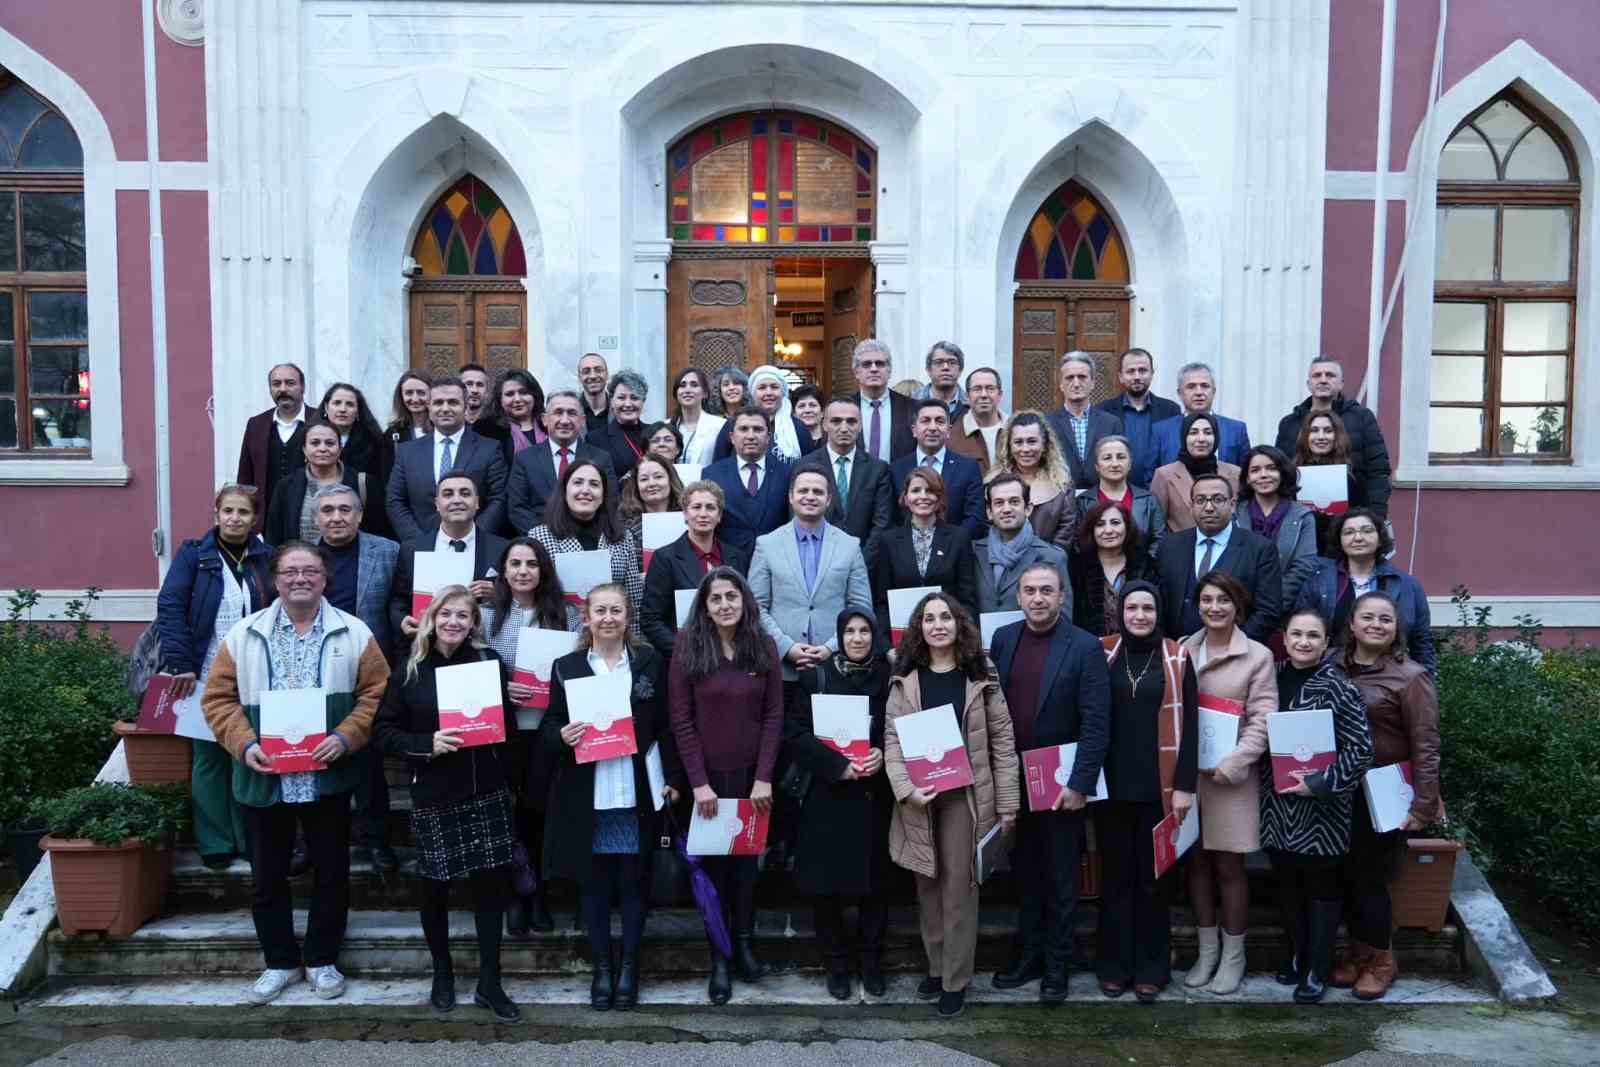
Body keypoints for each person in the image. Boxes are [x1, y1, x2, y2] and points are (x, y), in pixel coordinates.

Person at [199, 541, 390, 1006]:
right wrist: (244, 744)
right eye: (290, 571)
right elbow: (217, 700)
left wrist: (347, 736)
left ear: (325, 579)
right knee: (267, 877)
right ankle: (280, 961)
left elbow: (376, 693)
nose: (300, 578)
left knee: (331, 872)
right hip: (264, 778)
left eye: (310, 571)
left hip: (328, 775)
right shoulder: (244, 635)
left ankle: (323, 959)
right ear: (275, 580)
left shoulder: (355, 632)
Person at [373, 584, 520, 1021]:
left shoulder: (489, 662)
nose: (454, 622)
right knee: (434, 888)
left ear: (474, 623)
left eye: (463, 615)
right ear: (432, 619)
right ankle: (443, 974)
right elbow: (382, 732)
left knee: (490, 890)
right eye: (446, 614)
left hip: (486, 790)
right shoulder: (410, 670)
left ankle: (491, 983)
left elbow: (509, 729)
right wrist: (426, 743)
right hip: (435, 791)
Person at [543, 583, 681, 1012]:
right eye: (599, 610)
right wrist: (561, 736)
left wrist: (672, 776)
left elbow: (664, 724)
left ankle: (629, 969)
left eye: (615, 611)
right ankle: (602, 968)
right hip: (590, 792)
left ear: (627, 617)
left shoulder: (648, 662)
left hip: (634, 787)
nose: (607, 618)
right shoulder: (566, 666)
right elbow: (550, 723)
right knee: (595, 885)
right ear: (585, 618)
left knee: (634, 883)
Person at [883, 593, 1019, 1018]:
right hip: (921, 798)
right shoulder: (905, 676)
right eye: (929, 618)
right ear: (918, 628)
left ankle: (955, 980)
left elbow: (1002, 741)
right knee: (927, 884)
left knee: (960, 889)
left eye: (945, 617)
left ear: (959, 625)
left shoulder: (981, 673)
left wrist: (1008, 803)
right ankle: (937, 965)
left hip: (967, 798)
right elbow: (891, 741)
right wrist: (906, 789)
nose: (937, 624)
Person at [988, 564, 1110, 1003]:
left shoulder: (1083, 646)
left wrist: (1080, 784)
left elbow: (1097, 722)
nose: (1037, 598)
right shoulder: (1003, 640)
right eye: (1029, 591)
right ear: (1017, 597)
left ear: (1061, 596)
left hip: (1061, 785)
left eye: (1046, 591)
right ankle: (1029, 957)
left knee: (1061, 880)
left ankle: (1058, 967)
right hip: (1014, 781)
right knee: (1025, 876)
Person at [668, 567, 784, 1004]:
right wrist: (698, 783)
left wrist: (764, 778)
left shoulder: (764, 647)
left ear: (744, 600)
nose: (724, 605)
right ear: (705, 605)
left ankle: (745, 947)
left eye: (731, 597)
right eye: (715, 599)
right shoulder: (687, 648)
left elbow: (774, 717)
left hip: (754, 783)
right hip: (709, 785)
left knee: (746, 873)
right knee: (713, 876)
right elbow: (680, 718)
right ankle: (719, 958)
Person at [156, 485, 273, 870]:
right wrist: (181, 662)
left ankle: (247, 839)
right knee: (209, 759)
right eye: (228, 511)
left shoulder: (265, 558)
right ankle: (215, 841)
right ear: (216, 513)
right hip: (203, 671)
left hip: (254, 672)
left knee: (246, 752)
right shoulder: (194, 555)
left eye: (243, 512)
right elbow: (171, 606)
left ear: (254, 519)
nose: (235, 518)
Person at [1333, 591, 1441, 1000]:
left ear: (1396, 629)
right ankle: (1358, 953)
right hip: (1339, 791)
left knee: (1371, 879)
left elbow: (1426, 742)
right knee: (1344, 874)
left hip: (1384, 792)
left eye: (1386, 619)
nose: (1376, 625)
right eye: (1368, 617)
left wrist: (1423, 804)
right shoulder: (1333, 666)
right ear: (1352, 624)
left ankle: (1382, 959)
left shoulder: (1410, 676)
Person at [1263, 608, 1373, 1004]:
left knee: (1321, 888)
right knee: (1288, 885)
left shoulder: (1339, 686)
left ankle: (1317, 967)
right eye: (1296, 634)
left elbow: (1361, 749)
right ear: (1285, 638)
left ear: (1327, 643)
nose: (1304, 642)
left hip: (1322, 811)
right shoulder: (1271, 676)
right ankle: (1297, 955)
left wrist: (1322, 783)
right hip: (1277, 805)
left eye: (1313, 635)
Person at [1095, 581, 1197, 1002]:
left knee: (1154, 884)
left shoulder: (1177, 656)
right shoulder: (1102, 652)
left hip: (1161, 790)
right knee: (1115, 881)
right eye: (1132, 608)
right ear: (1122, 612)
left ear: (1159, 613)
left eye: (1148, 609)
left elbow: (1190, 726)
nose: (1139, 615)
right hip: (1111, 789)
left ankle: (1152, 968)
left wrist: (1185, 788)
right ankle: (1114, 966)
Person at [787, 608, 895, 1000]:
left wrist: (883, 752)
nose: (857, 638)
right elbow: (795, 733)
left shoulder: (887, 679)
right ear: (839, 635)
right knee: (825, 888)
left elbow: (894, 725)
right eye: (849, 630)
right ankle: (836, 965)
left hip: (873, 794)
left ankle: (870, 963)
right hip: (828, 794)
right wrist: (836, 766)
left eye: (865, 630)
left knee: (875, 888)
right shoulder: (815, 677)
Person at [1178, 571, 1275, 996]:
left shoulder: (1257, 656)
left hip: (1230, 779)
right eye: (1207, 600)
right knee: (1196, 864)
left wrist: (1236, 762)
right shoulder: (1183, 649)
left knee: (1229, 867)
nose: (1214, 608)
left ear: (1238, 606)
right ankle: (1207, 952)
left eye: (1223, 600)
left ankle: (1235, 957)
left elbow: (1262, 719)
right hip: (1188, 779)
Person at [480, 537, 581, 936]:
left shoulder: (568, 615)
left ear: (544, 572)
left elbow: (577, 667)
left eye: (532, 564)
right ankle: (513, 895)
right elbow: (471, 667)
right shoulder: (487, 615)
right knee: (507, 814)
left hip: (549, 731)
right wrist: (500, 686)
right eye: (516, 563)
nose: (523, 571)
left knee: (539, 812)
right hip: (503, 730)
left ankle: (537, 892)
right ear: (503, 571)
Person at [310, 485, 400, 871]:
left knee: (367, 758)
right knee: (312, 755)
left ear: (360, 515)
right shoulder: (303, 558)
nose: (337, 517)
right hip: (314, 669)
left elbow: (398, 604)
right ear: (316, 519)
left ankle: (375, 839)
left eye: (345, 509)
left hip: (369, 668)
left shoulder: (388, 551)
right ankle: (310, 843)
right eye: (327, 510)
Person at [748, 467, 873, 684]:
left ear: (828, 499)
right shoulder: (767, 544)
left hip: (835, 666)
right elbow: (755, 608)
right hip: (782, 669)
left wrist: (830, 648)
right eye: (803, 490)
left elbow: (861, 607)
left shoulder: (849, 545)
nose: (810, 496)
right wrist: (786, 647)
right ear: (790, 497)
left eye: (817, 491)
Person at [1295, 509, 1436, 675]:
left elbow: (1422, 643)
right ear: (1339, 541)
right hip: (1331, 677)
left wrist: (1427, 684)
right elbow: (1302, 631)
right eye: (1349, 532)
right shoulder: (1319, 581)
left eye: (1366, 531)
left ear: (1380, 539)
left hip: (1389, 679)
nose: (1358, 537)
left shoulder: (1407, 585)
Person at [1153, 473, 1281, 641]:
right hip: (1178, 653)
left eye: (1217, 499)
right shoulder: (1169, 546)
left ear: (1233, 505)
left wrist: (1228, 647)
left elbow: (1268, 611)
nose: (1208, 507)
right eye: (1200, 500)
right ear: (1191, 506)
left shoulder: (1260, 549)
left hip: (1235, 656)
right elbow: (1160, 602)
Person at [389, 473, 511, 644]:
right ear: (437, 504)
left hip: (481, 647)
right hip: (426, 646)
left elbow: (521, 601)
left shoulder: (502, 549)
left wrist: (498, 594)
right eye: (448, 494)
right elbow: (398, 599)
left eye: (465, 493)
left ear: (477, 502)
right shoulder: (412, 549)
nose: (457, 500)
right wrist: (401, 620)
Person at [529, 459, 645, 634]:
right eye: (577, 482)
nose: (585, 490)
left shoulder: (622, 537)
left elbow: (633, 598)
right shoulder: (539, 537)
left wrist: (635, 645)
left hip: (612, 637)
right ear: (564, 490)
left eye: (594, 484)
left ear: (603, 495)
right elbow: (534, 599)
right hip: (560, 635)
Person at [386, 376, 508, 542]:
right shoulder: (408, 452)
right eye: (438, 403)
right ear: (428, 407)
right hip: (421, 547)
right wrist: (417, 540)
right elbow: (395, 501)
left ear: (465, 406)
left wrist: (473, 538)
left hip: (475, 547)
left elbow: (499, 498)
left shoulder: (490, 449)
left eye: (453, 402)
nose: (445, 408)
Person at [640, 481, 754, 657]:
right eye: (696, 507)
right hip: (686, 660)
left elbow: (747, 609)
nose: (703, 514)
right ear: (685, 514)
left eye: (710, 508)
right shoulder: (665, 558)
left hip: (734, 657)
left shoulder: (737, 557)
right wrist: (685, 652)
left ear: (720, 515)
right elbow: (651, 621)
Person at [1274, 356, 1392, 521]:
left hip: (1353, 518)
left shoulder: (1362, 418)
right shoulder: (1290, 423)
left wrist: (1376, 518)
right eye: (1317, 375)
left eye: (1330, 375)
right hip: (1302, 520)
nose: (1323, 380)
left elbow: (1378, 471)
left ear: (1341, 384)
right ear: (1309, 384)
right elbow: (1281, 474)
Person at [506, 388, 618, 533]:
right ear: (545, 420)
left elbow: (611, 503)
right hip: (541, 546)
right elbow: (517, 509)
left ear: (582, 420)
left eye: (572, 413)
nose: (565, 421)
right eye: (558, 412)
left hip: (589, 541)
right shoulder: (524, 459)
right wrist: (546, 538)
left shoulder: (601, 458)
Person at [872, 467, 978, 620]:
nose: (923, 496)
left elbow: (967, 598)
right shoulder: (888, 541)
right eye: (916, 490)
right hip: (902, 636)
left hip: (947, 632)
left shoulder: (959, 538)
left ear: (939, 497)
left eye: (930, 490)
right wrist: (886, 642)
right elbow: (882, 602)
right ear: (906, 498)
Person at [795, 395, 895, 552]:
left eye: (851, 421)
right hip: (815, 559)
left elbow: (882, 523)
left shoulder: (878, 469)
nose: (843, 428)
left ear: (860, 426)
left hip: (864, 563)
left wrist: (861, 563)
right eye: (836, 421)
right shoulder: (804, 466)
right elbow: (797, 519)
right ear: (824, 425)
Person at [1235, 446, 1318, 614]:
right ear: (1248, 478)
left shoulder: (1303, 516)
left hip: (1285, 608)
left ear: (1283, 473)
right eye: (1255, 470)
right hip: (1239, 607)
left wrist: (1272, 602)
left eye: (1271, 468)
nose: (1264, 475)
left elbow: (1304, 567)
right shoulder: (1234, 514)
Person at [973, 473, 1071, 613]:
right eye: (999, 503)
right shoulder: (973, 553)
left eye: (1014, 502)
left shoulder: (1053, 557)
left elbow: (1063, 617)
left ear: (1028, 509)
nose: (1006, 509)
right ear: (989, 512)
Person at [890, 398, 986, 538]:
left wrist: (950, 543)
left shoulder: (968, 468)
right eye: (926, 421)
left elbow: (975, 518)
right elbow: (892, 518)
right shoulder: (896, 469)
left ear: (948, 430)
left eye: (940, 421)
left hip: (955, 551)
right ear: (914, 430)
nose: (933, 427)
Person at [701, 407, 792, 554]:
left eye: (757, 429)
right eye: (743, 429)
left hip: (776, 561)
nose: (751, 436)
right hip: (728, 563)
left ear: (768, 437)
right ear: (731, 437)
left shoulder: (787, 473)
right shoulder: (711, 475)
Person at [264, 421, 365, 547]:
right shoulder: (286, 486)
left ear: (340, 449)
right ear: (304, 450)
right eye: (315, 443)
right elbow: (273, 537)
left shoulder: (362, 482)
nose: (322, 448)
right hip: (300, 564)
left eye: (330, 443)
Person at [989, 411, 1077, 553]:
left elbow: (1066, 530)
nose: (1025, 449)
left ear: (1045, 445)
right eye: (1018, 442)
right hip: (1005, 564)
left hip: (1049, 566)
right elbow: (989, 527)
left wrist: (1047, 561)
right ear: (1009, 447)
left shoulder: (1063, 483)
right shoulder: (994, 483)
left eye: (1032, 441)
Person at [1095, 348, 1182, 488]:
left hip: (1159, 490)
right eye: (1130, 371)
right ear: (1120, 377)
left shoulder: (1171, 410)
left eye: (1142, 370)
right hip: (1117, 491)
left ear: (1152, 374)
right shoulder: (1103, 411)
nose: (1137, 376)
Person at [1071, 435, 1166, 562]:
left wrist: (1144, 567)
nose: (1115, 464)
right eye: (1107, 458)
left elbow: (1159, 539)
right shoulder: (1082, 502)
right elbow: (1077, 543)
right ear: (1097, 466)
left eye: (1121, 457)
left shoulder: (1148, 500)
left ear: (1130, 463)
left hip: (1142, 574)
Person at [318, 382, 392, 539]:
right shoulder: (310, 439)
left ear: (358, 411)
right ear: (326, 408)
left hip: (362, 523)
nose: (343, 409)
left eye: (350, 404)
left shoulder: (375, 443)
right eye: (337, 403)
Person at [1069, 499, 1152, 637]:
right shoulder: (1076, 568)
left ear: (1127, 527)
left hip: (1137, 647)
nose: (1108, 530)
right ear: (1092, 531)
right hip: (1090, 649)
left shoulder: (1146, 566)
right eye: (1100, 524)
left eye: (1115, 523)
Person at [1150, 412, 1242, 534]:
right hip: (1181, 549)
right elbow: (1156, 527)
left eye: (1208, 432)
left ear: (1216, 438)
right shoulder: (1164, 475)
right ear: (1184, 438)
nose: (1201, 439)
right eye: (1193, 432)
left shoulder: (1235, 473)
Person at [237, 362, 308, 518]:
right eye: (276, 384)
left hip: (310, 516)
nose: (282, 389)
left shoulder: (319, 421)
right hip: (267, 519)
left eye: (290, 383)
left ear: (302, 387)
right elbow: (245, 477)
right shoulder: (256, 424)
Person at [1150, 362, 1252, 470]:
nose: (1199, 392)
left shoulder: (1236, 430)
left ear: (1213, 391)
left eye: (1205, 386)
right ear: (1179, 393)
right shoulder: (1161, 431)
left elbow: (1246, 476)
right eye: (1191, 387)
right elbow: (1151, 478)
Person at [1045, 351, 1123, 490]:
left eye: (1082, 377)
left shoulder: (1111, 423)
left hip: (1101, 501)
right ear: (1061, 384)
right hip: (1060, 501)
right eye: (1069, 378)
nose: (1076, 383)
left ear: (1092, 382)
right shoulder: (1046, 423)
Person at [711, 364, 815, 463]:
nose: (768, 393)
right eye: (762, 388)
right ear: (753, 393)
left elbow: (810, 467)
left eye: (774, 387)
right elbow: (719, 466)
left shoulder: (798, 428)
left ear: (782, 392)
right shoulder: (733, 424)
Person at [1293, 409, 1355, 552]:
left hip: (1339, 551)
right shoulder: (1291, 475)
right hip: (1301, 552)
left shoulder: (1352, 475)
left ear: (1337, 436)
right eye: (1314, 430)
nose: (1321, 436)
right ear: (1305, 436)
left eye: (1328, 431)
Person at [852, 339, 915, 464]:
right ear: (856, 372)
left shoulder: (911, 407)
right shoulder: (844, 407)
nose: (874, 369)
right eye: (866, 364)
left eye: (880, 364)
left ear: (889, 370)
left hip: (899, 480)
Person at [474, 368, 547, 466]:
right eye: (509, 394)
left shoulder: (549, 425)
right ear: (500, 399)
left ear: (535, 395)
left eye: (523, 392)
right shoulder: (486, 430)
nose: (517, 399)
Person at [588, 370, 652, 476]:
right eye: (621, 398)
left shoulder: (654, 433)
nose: (628, 404)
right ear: (612, 401)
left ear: (643, 401)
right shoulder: (595, 439)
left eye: (634, 398)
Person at [618, 454, 684, 548]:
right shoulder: (623, 527)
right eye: (644, 479)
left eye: (658, 477)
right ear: (636, 485)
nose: (652, 483)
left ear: (671, 480)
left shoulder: (689, 519)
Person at [947, 367, 1006, 473]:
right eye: (977, 389)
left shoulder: (1014, 430)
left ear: (1000, 395)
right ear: (967, 396)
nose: (984, 395)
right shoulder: (953, 435)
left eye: (990, 388)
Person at [669, 368, 726, 466]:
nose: (687, 390)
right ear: (676, 393)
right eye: (682, 385)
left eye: (694, 385)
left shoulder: (720, 425)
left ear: (705, 393)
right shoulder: (666, 426)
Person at [914, 341, 969, 420]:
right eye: (939, 362)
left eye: (952, 362)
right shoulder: (910, 402)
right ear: (928, 370)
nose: (945, 367)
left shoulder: (972, 404)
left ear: (960, 370)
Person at [385, 370, 432, 444]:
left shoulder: (443, 429)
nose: (415, 399)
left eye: (421, 393)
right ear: (401, 396)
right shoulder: (393, 433)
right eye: (409, 393)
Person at [577, 352, 611, 435]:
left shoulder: (619, 409)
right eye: (586, 371)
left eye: (598, 370)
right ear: (579, 378)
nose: (593, 376)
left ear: (607, 374)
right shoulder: (571, 411)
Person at [790, 383, 826, 450]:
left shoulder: (832, 440)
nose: (807, 410)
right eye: (802, 406)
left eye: (812, 405)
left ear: (822, 412)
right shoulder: (787, 442)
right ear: (794, 413)